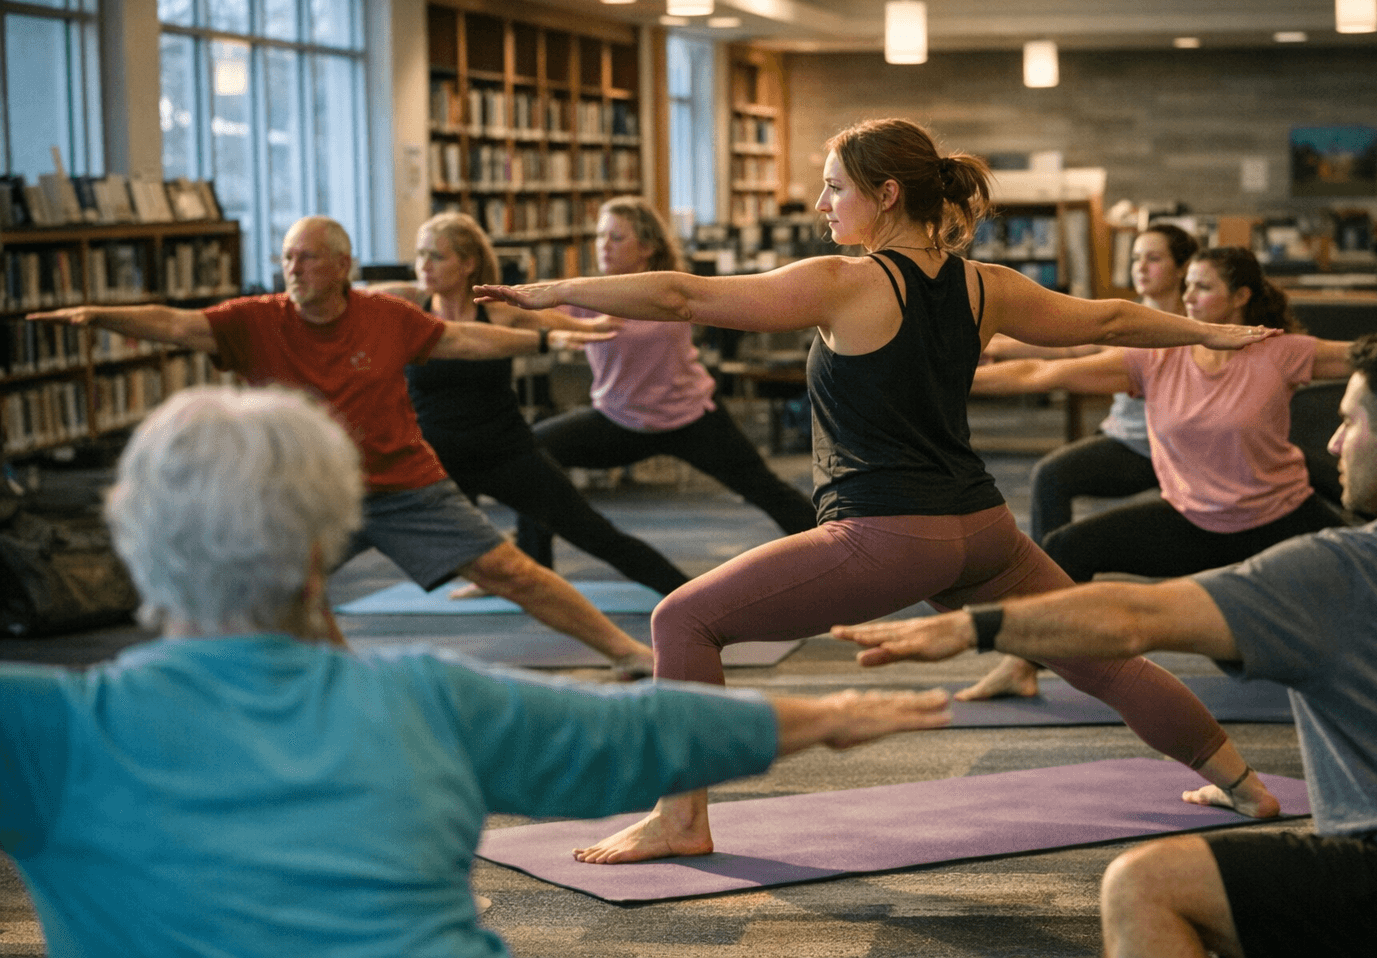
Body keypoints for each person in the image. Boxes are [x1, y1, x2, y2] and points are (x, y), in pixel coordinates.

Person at [476, 117, 1284, 865]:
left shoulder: (846, 283)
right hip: (983, 528)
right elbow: (1109, 320)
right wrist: (1212, 332)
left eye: (835, 187)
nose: (823, 203)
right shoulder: (984, 285)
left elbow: (685, 297)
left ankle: (681, 818)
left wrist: (554, 292)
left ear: (886, 194)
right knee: (1105, 661)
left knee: (681, 619)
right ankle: (1245, 783)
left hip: (889, 537)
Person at [0, 385, 951, 958]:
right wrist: (818, 717)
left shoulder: (52, 732)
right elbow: (625, 737)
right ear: (321, 549)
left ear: (133, 541)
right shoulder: (423, 701)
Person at [834, 329, 1377, 958]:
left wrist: (971, 625)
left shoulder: (1342, 568)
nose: (1330, 442)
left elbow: (1134, 618)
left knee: (1147, 885)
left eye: (1347, 422)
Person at [28, 216, 653, 678]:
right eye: (287, 258)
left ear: (342, 265)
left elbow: (465, 341)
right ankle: (335, 686)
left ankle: (627, 652)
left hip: (407, 486)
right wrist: (99, 314)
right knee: (269, 594)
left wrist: (550, 342)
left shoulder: (385, 316)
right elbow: (175, 323)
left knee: (509, 571)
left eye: (305, 258)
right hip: (310, 497)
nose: (292, 269)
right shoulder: (256, 320)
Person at [964, 246, 1356, 698]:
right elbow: (1041, 374)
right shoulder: (1155, 358)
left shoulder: (1278, 351)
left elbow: (1364, 356)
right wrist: (947, 377)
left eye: (1204, 287)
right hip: (1193, 522)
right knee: (1069, 548)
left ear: (1240, 297)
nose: (1188, 297)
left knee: (1365, 578)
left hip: (1278, 517)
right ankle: (1021, 664)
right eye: (1187, 284)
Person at [360, 211, 692, 597]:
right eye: (419, 255)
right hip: (437, 462)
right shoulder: (408, 307)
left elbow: (573, 325)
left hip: (505, 452)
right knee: (363, 530)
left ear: (468, 263)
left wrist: (594, 326)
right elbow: (346, 298)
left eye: (436, 256)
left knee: (595, 534)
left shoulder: (498, 311)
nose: (424, 266)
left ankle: (688, 593)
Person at [516, 196, 818, 571]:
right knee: (529, 454)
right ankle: (530, 567)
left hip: (689, 417)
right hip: (619, 419)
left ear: (647, 247)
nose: (602, 245)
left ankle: (840, 555)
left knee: (767, 490)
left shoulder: (669, 290)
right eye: (600, 236)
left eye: (616, 237)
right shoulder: (586, 294)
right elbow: (526, 312)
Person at [996, 223, 1199, 543]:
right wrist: (996, 346)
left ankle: (1054, 570)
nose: (1141, 268)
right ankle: (1052, 570)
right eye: (1135, 259)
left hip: (1162, 448)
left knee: (1051, 476)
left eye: (1154, 259)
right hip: (1124, 435)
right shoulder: (1130, 314)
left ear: (1182, 268)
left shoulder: (1197, 325)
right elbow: (1070, 341)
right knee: (1052, 476)